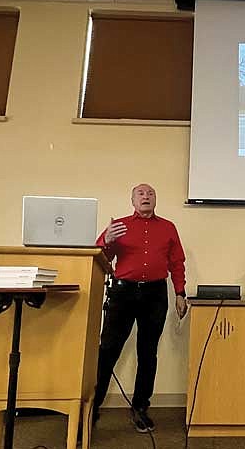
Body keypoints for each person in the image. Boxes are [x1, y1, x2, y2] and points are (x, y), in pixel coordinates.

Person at [92, 183, 187, 433]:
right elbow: (100, 258)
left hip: (155, 294)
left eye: (151, 193)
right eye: (140, 194)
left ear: (156, 200)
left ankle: (140, 409)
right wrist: (105, 240)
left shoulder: (168, 228)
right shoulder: (119, 226)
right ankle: (92, 408)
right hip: (122, 293)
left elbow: (177, 262)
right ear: (132, 200)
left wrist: (180, 293)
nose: (146, 197)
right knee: (108, 350)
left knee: (148, 353)